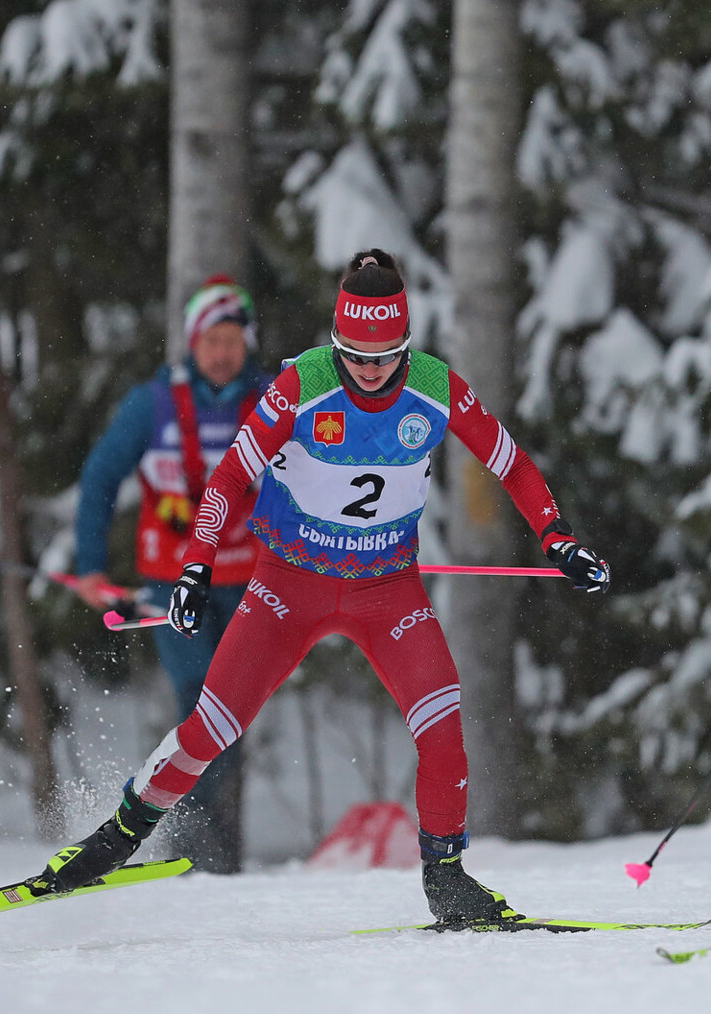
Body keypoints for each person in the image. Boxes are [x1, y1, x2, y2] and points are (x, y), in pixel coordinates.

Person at [32, 250, 611, 926]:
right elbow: (227, 481)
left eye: (384, 355)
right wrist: (195, 568)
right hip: (289, 585)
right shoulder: (300, 384)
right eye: (353, 355)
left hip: (386, 590)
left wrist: (558, 536)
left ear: (405, 344)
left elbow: (509, 462)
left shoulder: (433, 384)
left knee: (444, 728)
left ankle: (447, 879)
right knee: (209, 729)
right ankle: (113, 840)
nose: (368, 370)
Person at [71, 275, 271, 873]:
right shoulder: (151, 405)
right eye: (212, 339)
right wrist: (90, 566)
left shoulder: (269, 401)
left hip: (247, 579)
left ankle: (214, 847)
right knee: (198, 699)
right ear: (191, 343)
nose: (222, 352)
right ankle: (189, 841)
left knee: (233, 707)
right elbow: (100, 478)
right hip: (171, 582)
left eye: (233, 340)